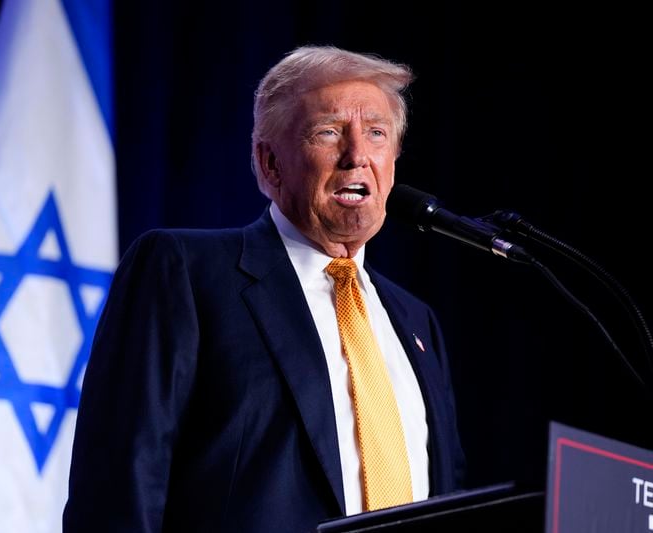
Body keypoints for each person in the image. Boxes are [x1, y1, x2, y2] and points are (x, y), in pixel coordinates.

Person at [63, 45, 466, 532]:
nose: (357, 155)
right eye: (329, 132)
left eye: (376, 133)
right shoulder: (185, 271)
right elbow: (118, 487)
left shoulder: (415, 321)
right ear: (270, 162)